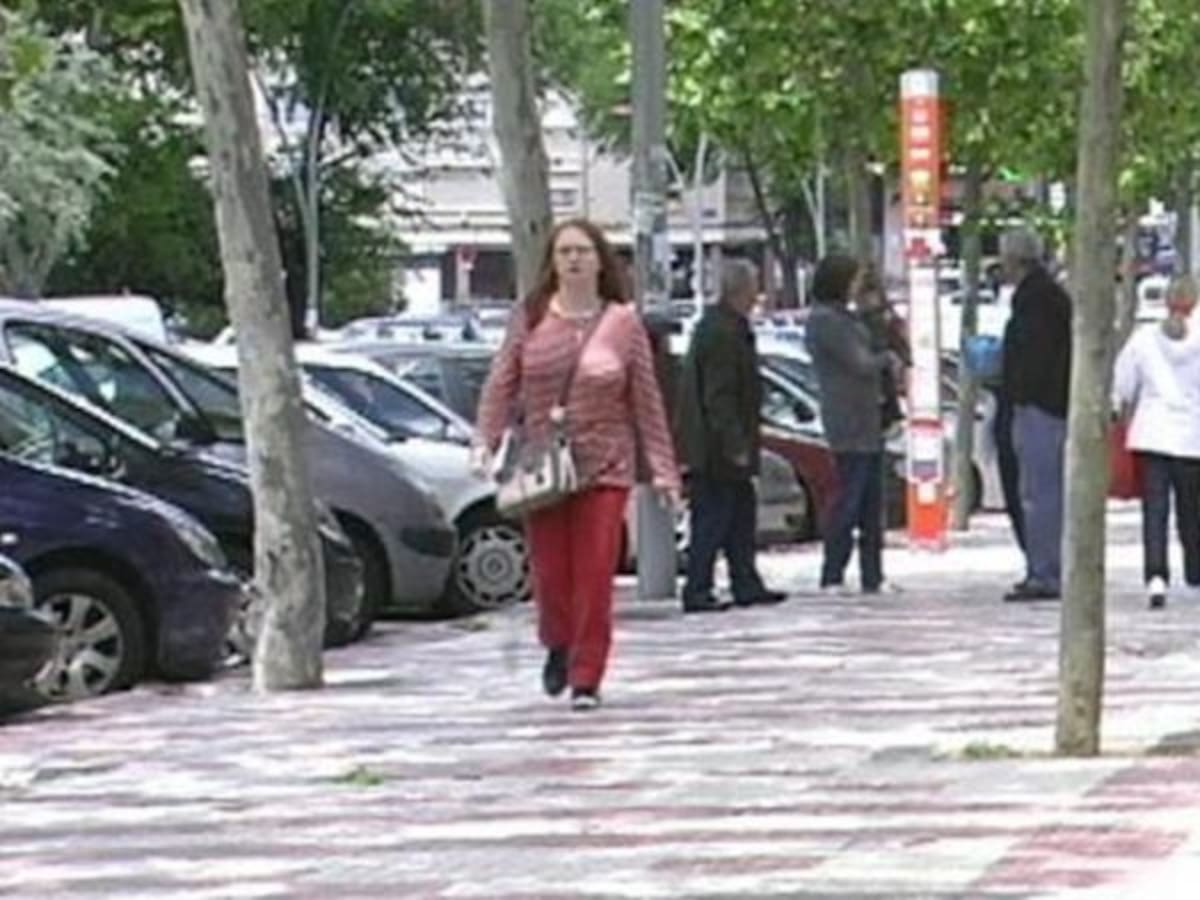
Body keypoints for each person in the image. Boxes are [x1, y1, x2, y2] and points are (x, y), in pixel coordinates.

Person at [474, 218, 680, 712]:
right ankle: (558, 642)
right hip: (543, 464)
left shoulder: (623, 324)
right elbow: (502, 382)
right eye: (564, 252)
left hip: (605, 464)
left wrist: (664, 469)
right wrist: (486, 438)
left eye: (583, 251)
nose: (573, 260)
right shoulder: (530, 317)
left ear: (600, 261)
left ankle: (587, 674)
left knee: (594, 572)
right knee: (550, 572)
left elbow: (646, 401)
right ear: (552, 262)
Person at [675, 259, 787, 613]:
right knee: (712, 519)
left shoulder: (725, 327)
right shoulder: (722, 333)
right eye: (754, 287)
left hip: (720, 445)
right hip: (716, 449)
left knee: (739, 515)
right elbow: (719, 395)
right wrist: (734, 442)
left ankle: (745, 582)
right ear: (743, 290)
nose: (758, 295)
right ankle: (698, 588)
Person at [804, 254, 896, 595]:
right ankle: (834, 573)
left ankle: (873, 574)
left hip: (868, 417)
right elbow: (859, 361)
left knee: (872, 502)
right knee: (849, 499)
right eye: (854, 279)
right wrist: (885, 360)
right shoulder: (827, 321)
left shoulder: (848, 317)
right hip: (848, 420)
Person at [1112, 274, 1200, 609]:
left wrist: (1120, 409)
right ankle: (1194, 571)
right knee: (1191, 509)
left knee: (1155, 508)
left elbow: (1123, 385)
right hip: (1192, 435)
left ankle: (1156, 577)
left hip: (1152, 433)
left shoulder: (1144, 339)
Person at [998, 228, 1072, 602]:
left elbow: (1033, 358)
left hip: (1039, 407)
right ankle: (1045, 567)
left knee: (1040, 493)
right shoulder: (1048, 298)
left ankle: (1045, 571)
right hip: (1045, 405)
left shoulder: (1036, 303)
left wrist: (1019, 392)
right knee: (1042, 492)